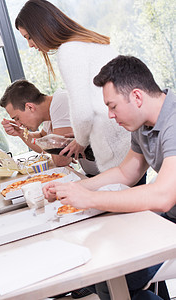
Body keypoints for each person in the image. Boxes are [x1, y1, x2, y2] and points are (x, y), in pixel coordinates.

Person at [43, 55, 176, 299]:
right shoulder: (143, 124)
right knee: (106, 278)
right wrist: (73, 188)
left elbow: (164, 195)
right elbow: (126, 172)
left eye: (112, 106)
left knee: (119, 277)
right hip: (169, 220)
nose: (110, 115)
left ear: (136, 96)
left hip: (170, 220)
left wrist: (90, 199)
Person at [15, 0, 130, 173]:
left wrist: (80, 142)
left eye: (29, 37)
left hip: (114, 148)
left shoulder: (69, 51)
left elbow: (83, 112)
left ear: (41, 28)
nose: (30, 45)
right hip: (128, 139)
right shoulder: (88, 41)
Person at [0, 79, 99, 176]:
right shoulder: (49, 112)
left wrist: (56, 147)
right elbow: (41, 140)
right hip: (91, 173)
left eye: (17, 118)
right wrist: (21, 133)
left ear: (30, 107)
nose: (18, 124)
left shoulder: (61, 102)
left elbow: (61, 160)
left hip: (106, 175)